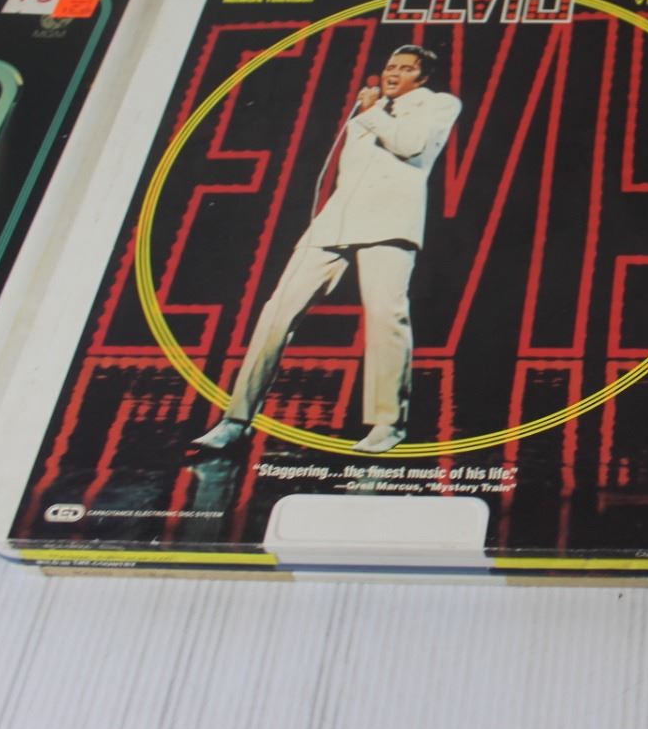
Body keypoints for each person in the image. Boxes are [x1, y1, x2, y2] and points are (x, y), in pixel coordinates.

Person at [192, 44, 462, 454]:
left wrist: (371, 112)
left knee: (385, 318)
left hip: (389, 224)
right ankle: (236, 420)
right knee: (276, 313)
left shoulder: (438, 104)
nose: (393, 73)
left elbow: (409, 145)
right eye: (390, 65)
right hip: (334, 223)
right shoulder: (369, 111)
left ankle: (387, 425)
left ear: (422, 78)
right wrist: (370, 113)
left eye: (406, 69)